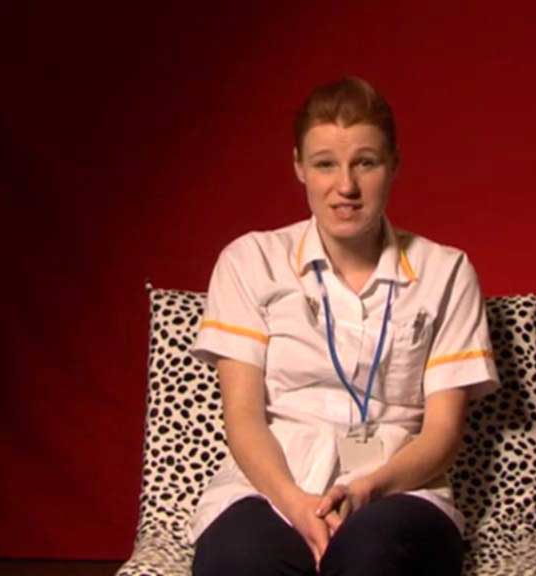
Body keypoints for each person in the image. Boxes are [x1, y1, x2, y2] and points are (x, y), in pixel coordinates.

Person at [188, 76, 501, 576]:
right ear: (299, 168)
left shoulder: (447, 272)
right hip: (272, 489)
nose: (346, 187)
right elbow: (243, 418)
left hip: (398, 492)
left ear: (394, 164)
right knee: (240, 562)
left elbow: (443, 431)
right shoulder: (250, 262)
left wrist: (367, 489)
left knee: (370, 560)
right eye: (325, 164)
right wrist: (295, 504)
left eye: (366, 163)